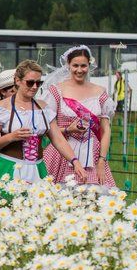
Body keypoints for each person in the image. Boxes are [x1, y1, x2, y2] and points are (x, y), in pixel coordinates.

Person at [0, 60, 86, 202]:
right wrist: (11, 137)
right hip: (8, 167)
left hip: (37, 168)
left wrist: (75, 162)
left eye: (39, 83)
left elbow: (58, 139)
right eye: (30, 82)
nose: (35, 87)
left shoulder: (43, 108)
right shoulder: (2, 108)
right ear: (17, 81)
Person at [42, 45, 116, 187]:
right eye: (75, 65)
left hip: (92, 155)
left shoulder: (100, 92)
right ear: (68, 65)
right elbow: (48, 129)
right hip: (61, 154)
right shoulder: (56, 91)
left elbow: (105, 130)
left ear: (89, 65)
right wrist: (68, 130)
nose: (79, 70)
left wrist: (101, 160)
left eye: (83, 66)